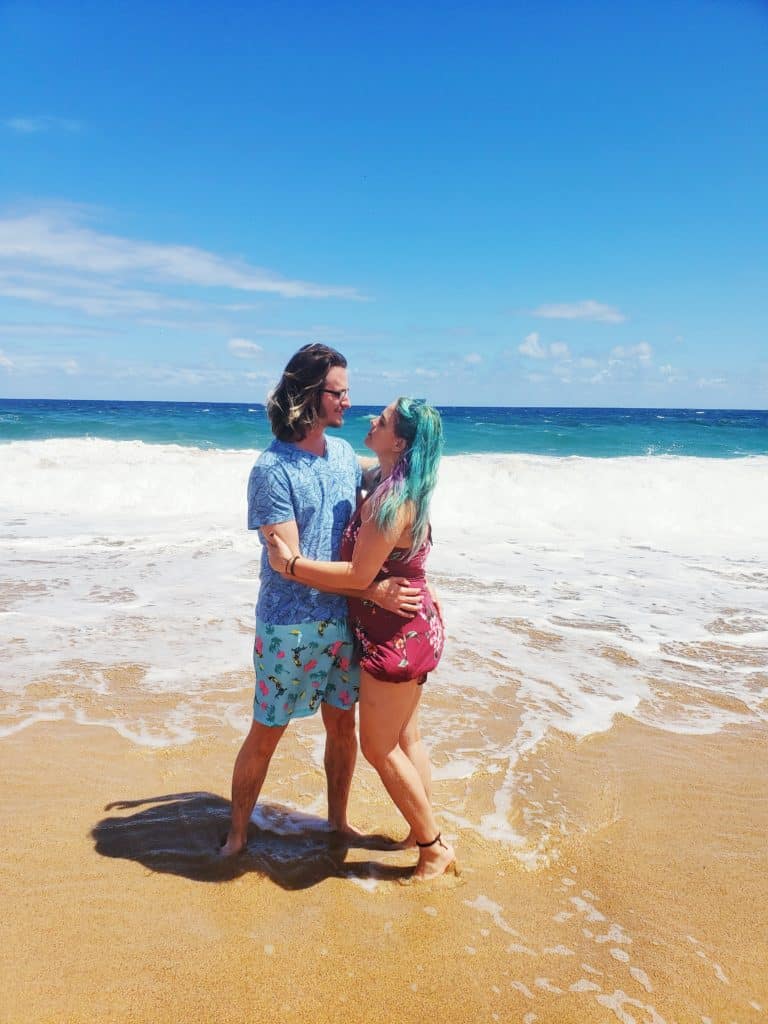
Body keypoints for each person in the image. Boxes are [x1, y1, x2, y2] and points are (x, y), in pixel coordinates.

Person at [220, 346, 423, 857]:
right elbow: (284, 561)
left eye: (349, 392)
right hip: (289, 626)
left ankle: (338, 822)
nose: (349, 403)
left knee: (341, 727)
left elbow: (400, 483)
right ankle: (236, 834)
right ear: (310, 395)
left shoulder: (341, 458)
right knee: (267, 731)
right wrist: (372, 588)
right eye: (339, 392)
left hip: (343, 621)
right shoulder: (271, 470)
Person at [267, 397, 457, 882]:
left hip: (396, 638)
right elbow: (344, 464)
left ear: (398, 441)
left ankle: (433, 847)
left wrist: (288, 566)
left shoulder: (390, 503)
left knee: (378, 748)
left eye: (384, 419)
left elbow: (356, 575)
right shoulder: (397, 482)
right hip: (416, 628)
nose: (372, 419)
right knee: (407, 737)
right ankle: (421, 831)